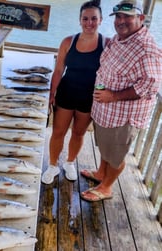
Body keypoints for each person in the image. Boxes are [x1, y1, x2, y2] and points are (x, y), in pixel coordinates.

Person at [80, 0, 162, 201]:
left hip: (122, 117)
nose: (121, 21)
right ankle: (101, 173)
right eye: (118, 16)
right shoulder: (121, 37)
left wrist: (113, 96)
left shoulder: (146, 49)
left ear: (141, 18)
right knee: (106, 148)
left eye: (128, 16)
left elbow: (150, 85)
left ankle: (106, 187)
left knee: (115, 155)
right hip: (105, 111)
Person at [41, 0, 109, 184]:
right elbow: (58, 70)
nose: (89, 23)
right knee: (58, 132)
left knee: (79, 133)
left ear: (100, 20)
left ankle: (70, 162)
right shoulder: (68, 42)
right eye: (85, 18)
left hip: (89, 97)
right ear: (80, 20)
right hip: (66, 93)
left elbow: (112, 74)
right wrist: (51, 93)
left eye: (94, 19)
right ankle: (53, 165)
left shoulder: (107, 44)